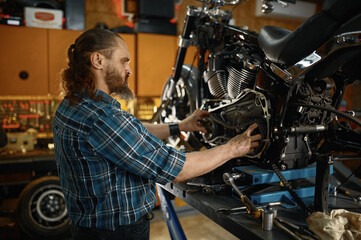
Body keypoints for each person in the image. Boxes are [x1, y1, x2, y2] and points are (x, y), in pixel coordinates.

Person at [53, 28, 261, 240]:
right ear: (98, 60)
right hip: (116, 234)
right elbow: (177, 169)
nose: (128, 70)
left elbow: (132, 131)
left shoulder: (74, 104)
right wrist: (233, 148)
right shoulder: (102, 117)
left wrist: (179, 126)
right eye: (124, 61)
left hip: (90, 229)